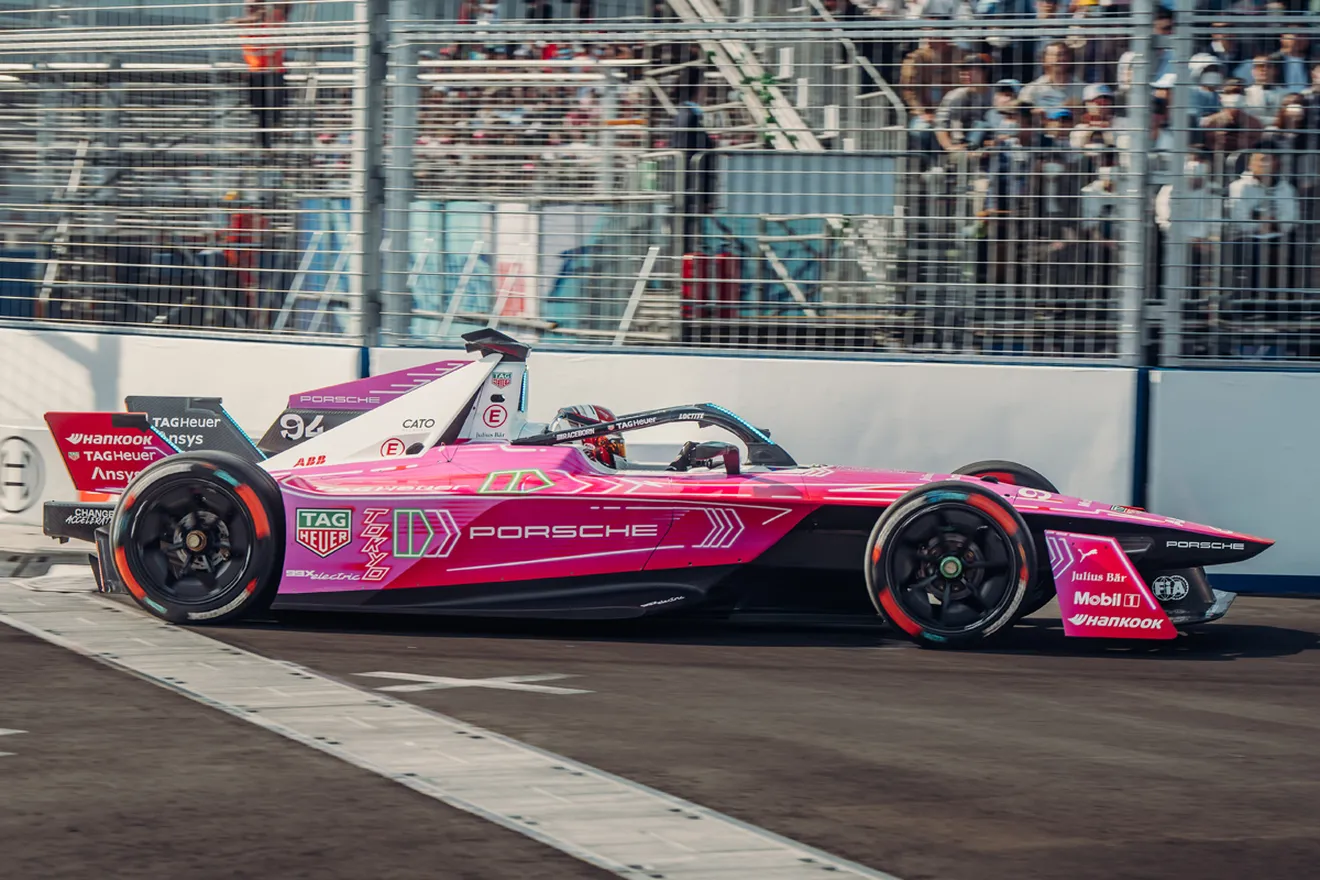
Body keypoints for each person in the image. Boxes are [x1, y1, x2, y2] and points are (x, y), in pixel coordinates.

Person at [233, 1, 292, 151]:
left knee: (274, 112)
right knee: (260, 114)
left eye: (252, 5)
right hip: (256, 74)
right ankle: (265, 147)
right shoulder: (247, 23)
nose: (248, 8)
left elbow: (285, 7)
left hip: (274, 72)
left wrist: (264, 12)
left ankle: (270, 140)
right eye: (247, 6)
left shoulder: (274, 17)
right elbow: (247, 21)